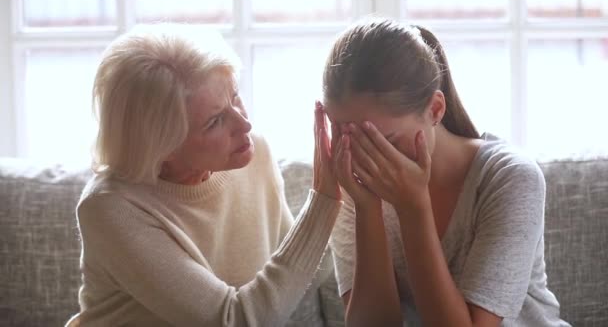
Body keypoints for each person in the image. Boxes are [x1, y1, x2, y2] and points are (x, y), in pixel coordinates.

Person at [65, 24, 344, 326]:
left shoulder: (252, 154)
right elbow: (234, 320)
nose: (244, 125)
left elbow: (300, 271)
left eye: (235, 97)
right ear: (163, 145)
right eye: (215, 121)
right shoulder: (110, 208)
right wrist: (324, 198)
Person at [324, 18, 570, 326]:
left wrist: (413, 208)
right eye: (350, 139)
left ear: (435, 110)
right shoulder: (354, 184)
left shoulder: (510, 178)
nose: (367, 159)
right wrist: (367, 208)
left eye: (383, 142)